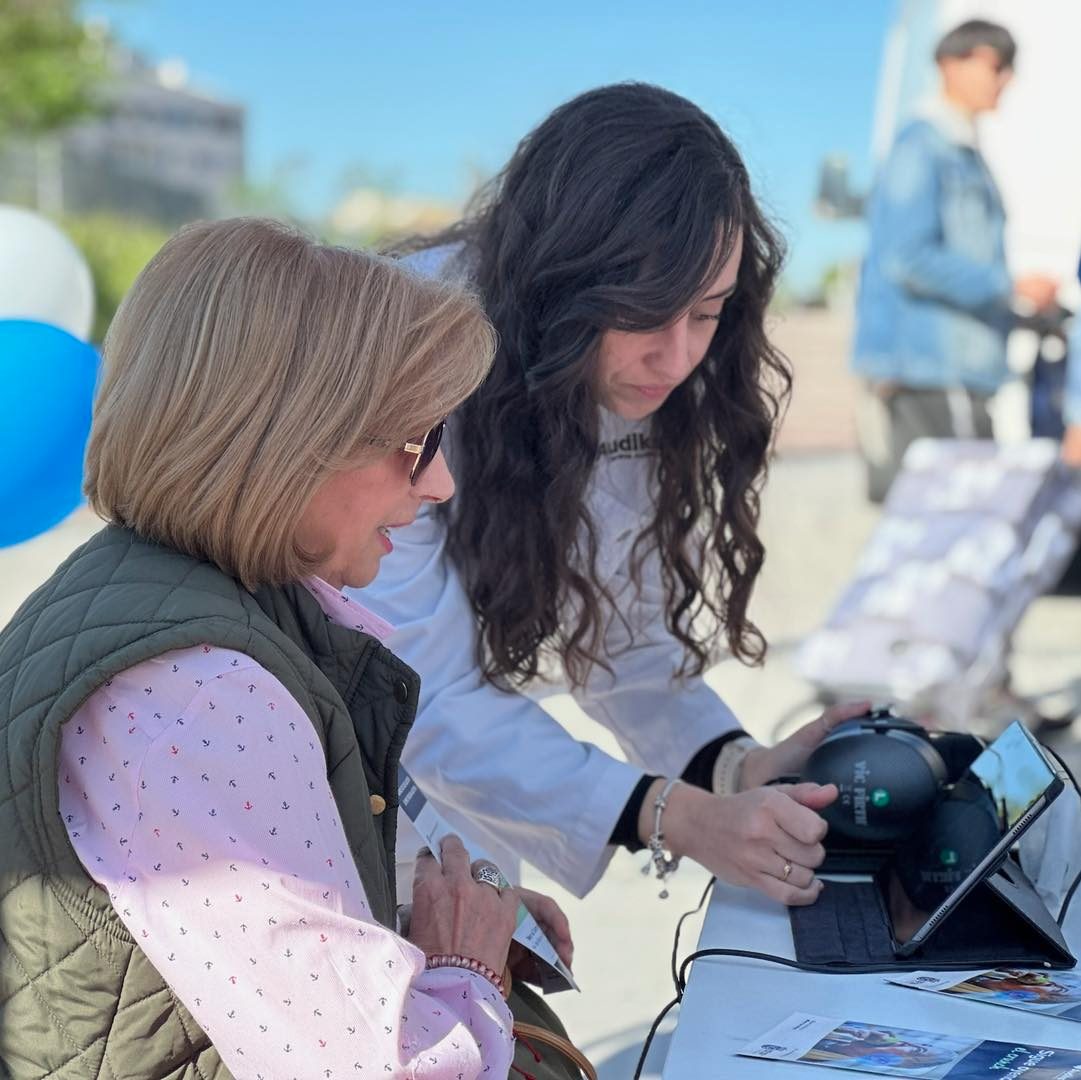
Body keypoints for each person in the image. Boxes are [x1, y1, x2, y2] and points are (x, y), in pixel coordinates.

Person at [0, 219, 577, 1080]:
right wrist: (467, 966)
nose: (440, 484)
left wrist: (396, 924)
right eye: (415, 442)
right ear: (283, 435)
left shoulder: (158, 600)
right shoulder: (197, 691)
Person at [361, 82, 866, 905]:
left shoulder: (624, 383)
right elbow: (420, 689)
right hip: (288, 804)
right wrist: (675, 816)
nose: (676, 360)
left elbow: (622, 643)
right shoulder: (401, 348)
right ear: (562, 282)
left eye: (706, 314)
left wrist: (735, 768)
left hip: (443, 815)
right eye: (645, 313)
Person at [851, 18, 1061, 500]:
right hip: (933, 373)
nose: (1006, 78)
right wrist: (1009, 286)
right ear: (950, 63)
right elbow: (906, 258)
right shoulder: (924, 148)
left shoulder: (967, 155)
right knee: (945, 532)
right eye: (996, 64)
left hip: (958, 373)